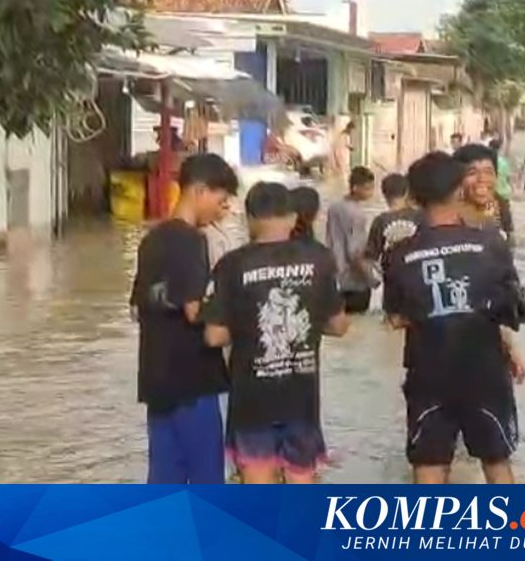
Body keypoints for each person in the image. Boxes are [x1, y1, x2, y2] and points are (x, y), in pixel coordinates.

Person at [383, 152, 525, 485]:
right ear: (459, 191)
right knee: (496, 462)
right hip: (485, 372)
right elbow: (513, 308)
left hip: (428, 374)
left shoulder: (399, 255)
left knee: (429, 467)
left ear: (414, 197)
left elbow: (395, 319)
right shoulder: (492, 243)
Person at [204, 182, 350, 484]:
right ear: (294, 217)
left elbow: (214, 336)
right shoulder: (319, 259)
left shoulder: (231, 265)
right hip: (302, 400)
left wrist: (246, 325)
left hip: (251, 401)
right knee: (301, 484)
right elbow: (338, 326)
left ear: (249, 218)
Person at [130, 153, 238, 484]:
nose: (223, 209)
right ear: (200, 191)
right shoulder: (192, 240)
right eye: (221, 201)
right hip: (193, 380)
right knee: (207, 480)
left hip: (156, 378)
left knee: (164, 479)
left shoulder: (152, 238)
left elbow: (137, 308)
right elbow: (195, 310)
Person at [326, 166, 376, 314]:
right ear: (355, 188)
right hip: (354, 281)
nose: (371, 192)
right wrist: (371, 278)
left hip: (336, 277)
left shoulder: (335, 206)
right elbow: (355, 252)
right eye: (367, 188)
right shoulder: (358, 215)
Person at [454, 144, 514, 244]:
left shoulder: (501, 207)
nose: (482, 179)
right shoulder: (445, 214)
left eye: (488, 172)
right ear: (457, 178)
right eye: (472, 173)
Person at [364, 173, 421, 273]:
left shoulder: (380, 220)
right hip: (418, 272)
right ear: (407, 192)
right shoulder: (419, 216)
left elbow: (371, 256)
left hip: (392, 275)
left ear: (384, 194)